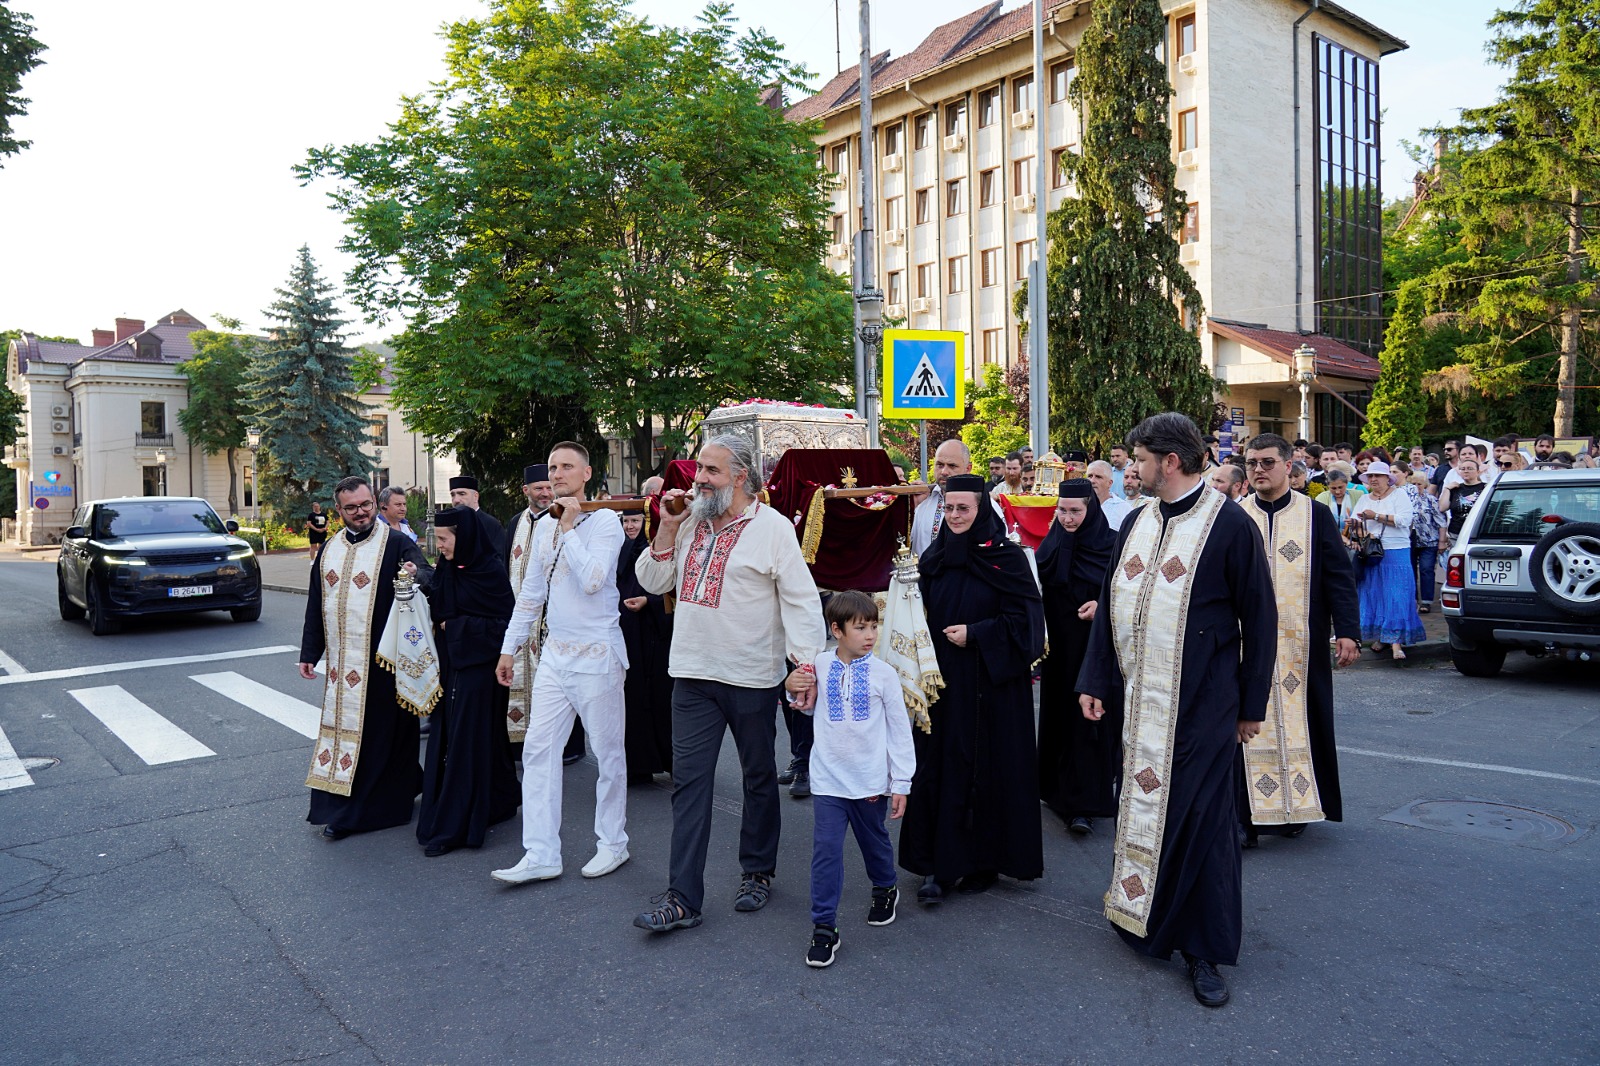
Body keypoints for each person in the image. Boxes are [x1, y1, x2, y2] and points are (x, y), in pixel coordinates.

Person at [1076, 413, 1277, 1009]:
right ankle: (1144, 913)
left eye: (1138, 459)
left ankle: (1204, 949)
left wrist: (1250, 705)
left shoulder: (1230, 526)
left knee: (1202, 823)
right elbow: (1114, 605)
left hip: (1206, 705)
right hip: (1141, 704)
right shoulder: (1137, 522)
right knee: (1144, 805)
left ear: (1169, 461)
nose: (1130, 470)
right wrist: (1096, 680)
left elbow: (1260, 621)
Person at [631, 434, 825, 933]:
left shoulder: (774, 529)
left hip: (751, 677)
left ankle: (757, 871)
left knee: (758, 778)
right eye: (699, 469)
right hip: (692, 673)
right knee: (689, 785)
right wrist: (667, 529)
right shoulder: (690, 520)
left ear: (740, 476)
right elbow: (652, 583)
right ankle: (682, 897)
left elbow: (802, 601)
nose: (699, 479)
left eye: (712, 471)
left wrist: (804, 665)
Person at [901, 474, 1045, 904]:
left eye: (964, 508)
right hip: (942, 686)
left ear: (983, 509)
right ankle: (936, 866)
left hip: (992, 689)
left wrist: (978, 633)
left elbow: (1029, 628)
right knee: (939, 769)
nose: (956, 516)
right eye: (949, 508)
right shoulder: (934, 559)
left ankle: (984, 861)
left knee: (988, 769)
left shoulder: (1009, 559)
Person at [491, 443, 631, 884]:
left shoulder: (606, 520)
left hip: (598, 654)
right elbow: (531, 595)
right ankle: (541, 853)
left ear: (587, 473)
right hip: (554, 655)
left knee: (607, 754)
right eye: (552, 467)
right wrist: (508, 648)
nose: (557, 474)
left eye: (566, 466)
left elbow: (592, 581)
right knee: (537, 750)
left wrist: (569, 527)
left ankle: (613, 843)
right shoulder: (543, 527)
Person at [1238, 434, 1360, 848]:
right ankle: (1245, 818)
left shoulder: (1314, 515)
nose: (1259, 470)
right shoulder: (1235, 516)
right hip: (1244, 646)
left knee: (1300, 722)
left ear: (1289, 466)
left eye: (1268, 462)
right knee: (1244, 728)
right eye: (1252, 462)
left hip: (1300, 645)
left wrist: (1346, 631)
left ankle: (1296, 807)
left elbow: (1339, 577)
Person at [296, 477, 433, 839]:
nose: (361, 514)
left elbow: (429, 576)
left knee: (382, 736)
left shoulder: (397, 543)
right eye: (352, 508)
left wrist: (416, 574)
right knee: (344, 733)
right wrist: (310, 653)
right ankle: (343, 803)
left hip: (385, 663)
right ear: (338, 511)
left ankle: (368, 811)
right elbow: (316, 604)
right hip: (343, 666)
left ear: (375, 502)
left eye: (367, 505)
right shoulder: (328, 550)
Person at [790, 590, 916, 968]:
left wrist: (901, 783)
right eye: (860, 628)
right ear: (837, 630)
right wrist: (792, 686)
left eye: (873, 626)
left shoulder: (884, 675)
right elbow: (802, 703)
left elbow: (899, 731)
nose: (870, 635)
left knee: (873, 842)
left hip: (869, 782)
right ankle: (825, 929)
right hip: (828, 779)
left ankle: (885, 886)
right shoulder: (820, 666)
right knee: (826, 853)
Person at [417, 506, 522, 856]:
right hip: (453, 667)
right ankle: (496, 802)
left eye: (445, 540)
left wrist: (457, 627)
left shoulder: (490, 571)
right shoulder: (449, 567)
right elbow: (442, 604)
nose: (440, 547)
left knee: (469, 743)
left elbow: (504, 627)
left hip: (480, 673)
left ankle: (457, 826)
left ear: (464, 539)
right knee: (456, 739)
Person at [1035, 480, 1118, 836]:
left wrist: (1103, 606)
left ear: (1091, 510)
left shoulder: (1112, 544)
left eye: (1075, 512)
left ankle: (1084, 804)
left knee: (1090, 723)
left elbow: (1124, 589)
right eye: (1063, 511)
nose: (1068, 519)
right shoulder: (1051, 543)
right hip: (1059, 653)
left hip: (1095, 650)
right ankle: (1056, 792)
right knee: (1059, 719)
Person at [501, 463, 583, 762]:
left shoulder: (568, 520)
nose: (546, 493)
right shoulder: (515, 523)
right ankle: (521, 745)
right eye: (539, 488)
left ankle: (569, 748)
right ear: (526, 492)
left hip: (554, 619)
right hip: (522, 615)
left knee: (560, 685)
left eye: (549, 487)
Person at [617, 511, 673, 784]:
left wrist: (648, 601)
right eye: (626, 521)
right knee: (632, 698)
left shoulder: (658, 550)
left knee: (661, 699)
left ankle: (671, 761)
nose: (630, 526)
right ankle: (639, 766)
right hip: (628, 637)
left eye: (636, 521)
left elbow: (671, 589)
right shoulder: (620, 551)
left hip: (656, 637)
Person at [1349, 461, 1424, 661]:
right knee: (1374, 594)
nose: (1373, 479)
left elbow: (1404, 521)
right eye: (1370, 476)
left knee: (1396, 595)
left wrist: (1377, 516)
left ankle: (1396, 644)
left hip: (1396, 551)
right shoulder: (1365, 498)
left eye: (1377, 476)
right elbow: (1357, 528)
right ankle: (1383, 637)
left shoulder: (1399, 495)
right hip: (1372, 553)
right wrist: (1358, 528)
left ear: (1387, 478)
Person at [1408, 472, 1446, 614]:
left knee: (1426, 569)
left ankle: (1426, 601)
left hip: (1429, 541)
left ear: (1425, 485)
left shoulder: (1431, 499)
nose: (1416, 486)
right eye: (1413, 484)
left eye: (1419, 484)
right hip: (1409, 541)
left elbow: (1441, 521)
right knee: (1410, 571)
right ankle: (1413, 600)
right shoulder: (1405, 499)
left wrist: (1442, 541)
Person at [449, 475, 507, 559]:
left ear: (475, 496)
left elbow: (499, 560)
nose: (456, 500)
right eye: (453, 495)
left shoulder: (491, 525)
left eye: (462, 494)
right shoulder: (451, 525)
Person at [1438, 455, 1487, 545]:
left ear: (1478, 471)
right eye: (1462, 469)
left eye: (1470, 468)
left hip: (1479, 532)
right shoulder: (1455, 488)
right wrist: (1447, 489)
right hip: (1457, 533)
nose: (1466, 471)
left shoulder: (1486, 487)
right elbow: (1442, 508)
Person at [1086, 460, 1133, 529]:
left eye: (1098, 477)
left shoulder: (1124, 509)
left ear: (1109, 483)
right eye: (1090, 476)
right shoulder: (1080, 504)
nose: (1092, 481)